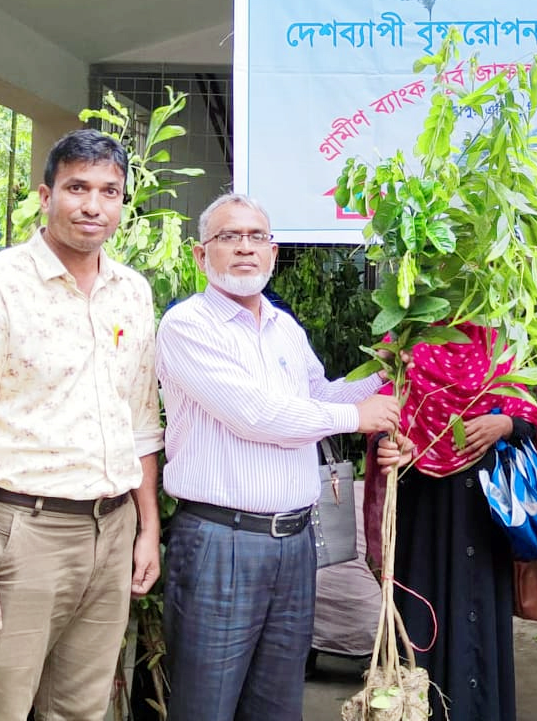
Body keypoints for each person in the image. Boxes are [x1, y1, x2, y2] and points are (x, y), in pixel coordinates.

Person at [0, 129, 163, 720]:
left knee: (82, 709)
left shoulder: (132, 292)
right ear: (45, 194)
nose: (92, 205)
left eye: (109, 191)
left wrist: (147, 530)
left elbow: (140, 422)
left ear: (122, 202)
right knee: (1, 707)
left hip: (112, 530)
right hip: (24, 533)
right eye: (77, 187)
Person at [155, 193, 405, 720]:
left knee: (275, 705)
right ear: (201, 256)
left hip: (295, 544)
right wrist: (360, 417)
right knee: (207, 706)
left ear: (272, 253)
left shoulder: (284, 328)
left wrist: (383, 374)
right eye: (229, 237)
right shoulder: (188, 326)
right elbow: (258, 415)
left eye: (256, 237)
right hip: (221, 544)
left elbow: (319, 399)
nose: (245, 248)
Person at [366, 323, 537, 721]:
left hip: (483, 513)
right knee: (421, 625)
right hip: (423, 512)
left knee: (478, 624)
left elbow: (526, 415)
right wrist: (389, 445)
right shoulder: (407, 338)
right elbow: (380, 413)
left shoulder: (495, 342)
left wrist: (506, 425)